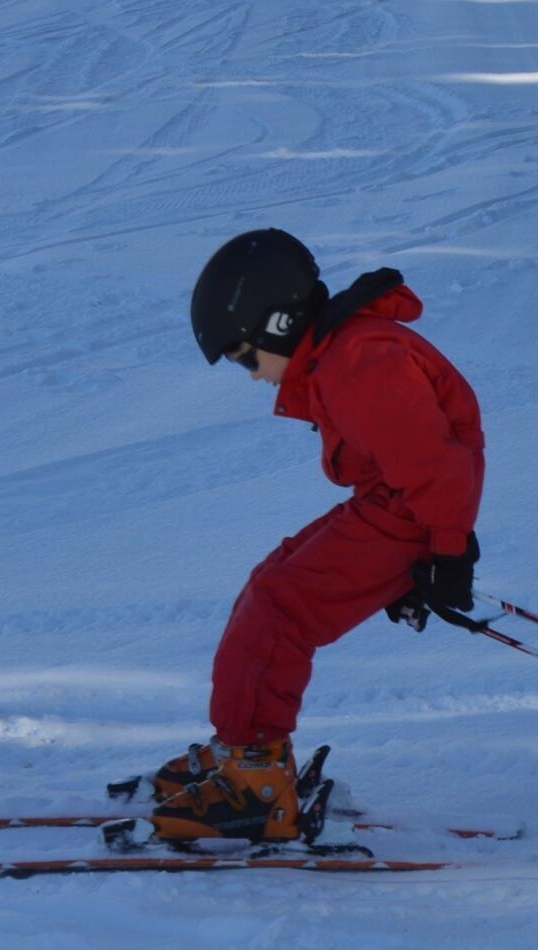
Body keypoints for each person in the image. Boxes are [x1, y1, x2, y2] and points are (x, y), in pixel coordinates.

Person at [146, 229, 485, 845]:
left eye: (248, 357)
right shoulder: (347, 354)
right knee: (267, 588)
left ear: (277, 324)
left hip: (408, 516)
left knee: (278, 611)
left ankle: (255, 785)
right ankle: (242, 756)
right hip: (393, 509)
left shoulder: (360, 361)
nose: (252, 376)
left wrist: (447, 555)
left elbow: (436, 463)